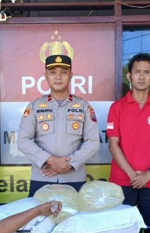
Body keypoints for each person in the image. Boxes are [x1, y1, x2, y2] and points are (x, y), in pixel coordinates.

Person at [106, 53, 150, 233]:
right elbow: (113, 145)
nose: (141, 77)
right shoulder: (117, 107)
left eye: (146, 72)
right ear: (129, 76)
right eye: (137, 72)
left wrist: (149, 174)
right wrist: (132, 175)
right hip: (122, 182)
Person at [18, 54, 100, 196]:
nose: (58, 77)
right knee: (39, 211)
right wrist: (50, 160)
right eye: (52, 72)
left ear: (71, 75)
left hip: (74, 178)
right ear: (46, 76)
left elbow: (93, 142)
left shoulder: (83, 106)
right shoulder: (35, 106)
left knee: (74, 211)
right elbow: (23, 141)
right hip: (42, 177)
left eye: (63, 72)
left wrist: (69, 164)